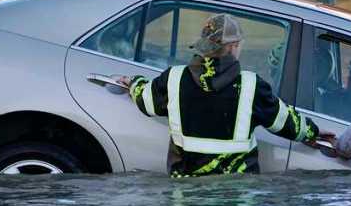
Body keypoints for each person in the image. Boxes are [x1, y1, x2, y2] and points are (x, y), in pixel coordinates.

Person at [121, 14, 326, 177]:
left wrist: (134, 83)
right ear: (233, 46)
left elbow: (145, 100)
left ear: (203, 45)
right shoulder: (251, 86)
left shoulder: (173, 78)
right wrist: (314, 133)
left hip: (186, 197)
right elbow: (288, 124)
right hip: (237, 201)